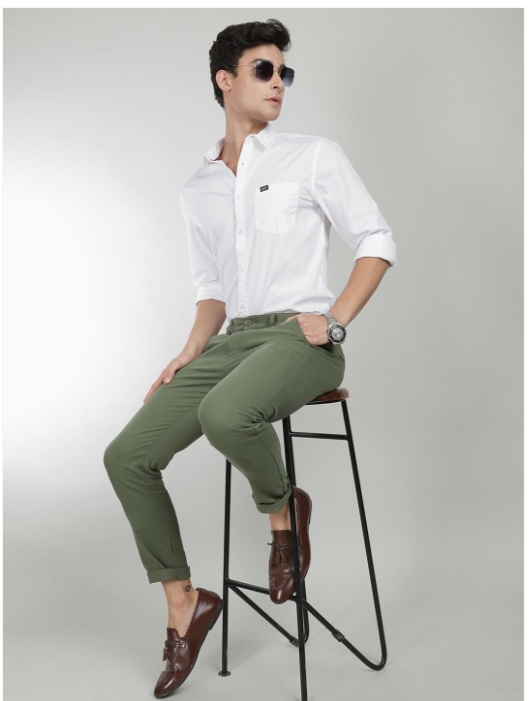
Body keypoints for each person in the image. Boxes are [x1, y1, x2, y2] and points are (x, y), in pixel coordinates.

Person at [104, 17, 396, 699]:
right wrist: (187, 351)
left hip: (301, 340)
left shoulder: (313, 156)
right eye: (264, 70)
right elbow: (211, 290)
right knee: (127, 456)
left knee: (225, 413)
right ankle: (183, 602)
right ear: (224, 79)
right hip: (233, 339)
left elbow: (377, 239)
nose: (278, 83)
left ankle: (284, 515)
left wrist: (334, 319)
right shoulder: (197, 187)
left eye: (284, 72)